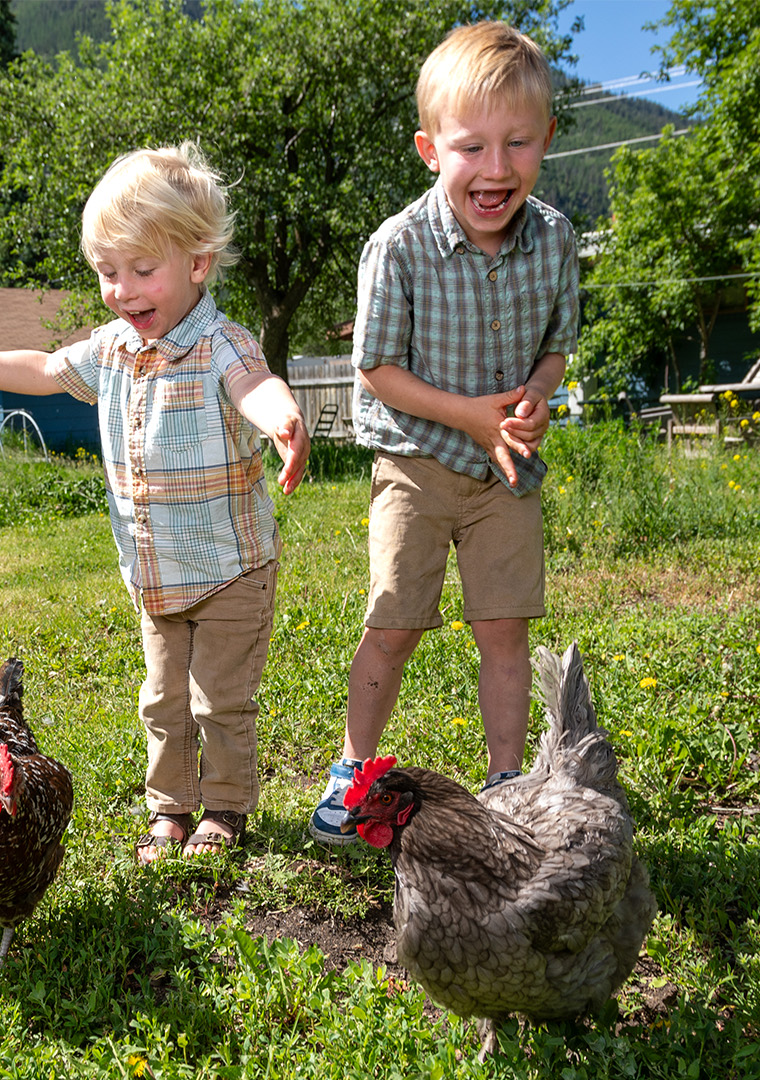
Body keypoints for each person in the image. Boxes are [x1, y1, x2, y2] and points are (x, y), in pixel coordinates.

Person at [0, 143, 307, 861]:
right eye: (108, 272)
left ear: (198, 263)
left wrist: (282, 419)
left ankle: (226, 810)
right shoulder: (111, 346)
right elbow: (44, 368)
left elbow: (255, 386)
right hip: (155, 576)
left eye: (143, 270)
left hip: (232, 568)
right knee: (163, 702)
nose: (122, 289)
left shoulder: (222, 344)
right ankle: (170, 810)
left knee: (219, 702)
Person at [307, 20, 578, 845]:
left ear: (546, 142)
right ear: (430, 149)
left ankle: (505, 787)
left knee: (504, 628)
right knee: (392, 622)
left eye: (518, 144)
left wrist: (533, 396)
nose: (496, 170)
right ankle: (355, 770)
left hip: (508, 473)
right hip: (417, 465)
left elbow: (557, 346)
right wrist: (471, 414)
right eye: (471, 148)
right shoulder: (397, 246)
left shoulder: (556, 239)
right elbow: (376, 369)